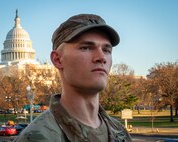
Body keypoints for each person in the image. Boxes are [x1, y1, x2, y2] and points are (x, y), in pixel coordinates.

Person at [14, 14, 132, 142]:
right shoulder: (38, 137)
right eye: (86, 48)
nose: (101, 57)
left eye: (106, 50)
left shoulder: (120, 132)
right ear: (57, 59)